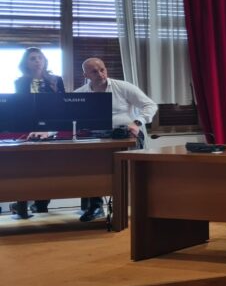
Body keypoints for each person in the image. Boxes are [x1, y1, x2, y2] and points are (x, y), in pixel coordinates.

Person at [75, 57, 158, 223]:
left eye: (102, 69)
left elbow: (150, 105)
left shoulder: (123, 87)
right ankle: (96, 206)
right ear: (86, 75)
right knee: (90, 167)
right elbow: (66, 117)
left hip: (127, 134)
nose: (100, 74)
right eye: (94, 72)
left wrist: (137, 122)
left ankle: (137, 206)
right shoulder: (80, 94)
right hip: (96, 137)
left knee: (131, 171)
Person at [10, 47, 66, 219]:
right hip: (27, 128)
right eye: (33, 58)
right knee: (25, 168)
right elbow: (19, 107)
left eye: (40, 58)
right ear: (26, 63)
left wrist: (50, 129)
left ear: (44, 61)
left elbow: (63, 105)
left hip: (50, 129)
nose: (37, 61)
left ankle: (41, 205)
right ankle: (21, 207)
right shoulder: (20, 82)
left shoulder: (56, 80)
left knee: (47, 169)